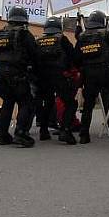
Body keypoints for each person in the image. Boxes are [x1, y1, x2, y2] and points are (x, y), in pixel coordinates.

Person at [0, 6, 40, 147]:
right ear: (24, 19)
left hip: (1, 73)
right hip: (19, 74)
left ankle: (3, 134)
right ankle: (20, 133)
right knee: (26, 102)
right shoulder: (25, 34)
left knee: (7, 102)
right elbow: (35, 55)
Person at [73, 10, 109, 144]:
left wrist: (84, 67)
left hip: (89, 74)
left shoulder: (82, 37)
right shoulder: (107, 34)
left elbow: (76, 58)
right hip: (107, 71)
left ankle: (84, 134)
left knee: (88, 105)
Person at [35, 16, 77, 144]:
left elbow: (33, 58)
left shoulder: (39, 41)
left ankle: (43, 131)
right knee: (70, 103)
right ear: (60, 28)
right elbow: (72, 56)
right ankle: (65, 130)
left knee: (47, 103)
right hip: (59, 76)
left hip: (42, 77)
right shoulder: (62, 39)